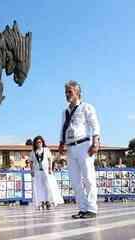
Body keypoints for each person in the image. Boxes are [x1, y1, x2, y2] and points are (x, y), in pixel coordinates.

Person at [58, 80, 100, 219]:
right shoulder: (65, 111)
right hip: (70, 147)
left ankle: (92, 208)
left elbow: (94, 125)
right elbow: (63, 128)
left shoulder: (86, 107)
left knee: (88, 177)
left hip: (84, 145)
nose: (67, 94)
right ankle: (82, 208)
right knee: (75, 180)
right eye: (66, 92)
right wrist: (61, 142)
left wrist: (96, 142)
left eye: (69, 92)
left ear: (77, 93)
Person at [30, 136, 64, 210]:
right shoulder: (33, 152)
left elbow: (50, 159)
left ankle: (48, 201)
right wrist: (32, 170)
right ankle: (41, 201)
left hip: (46, 170)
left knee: (48, 186)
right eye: (37, 142)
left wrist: (50, 168)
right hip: (37, 171)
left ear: (42, 142)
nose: (39, 144)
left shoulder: (46, 150)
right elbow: (31, 162)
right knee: (39, 187)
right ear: (35, 144)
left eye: (40, 142)